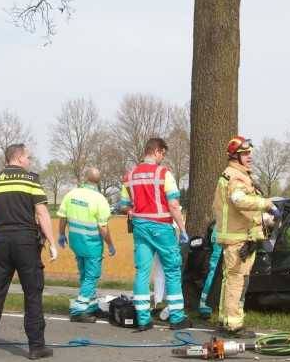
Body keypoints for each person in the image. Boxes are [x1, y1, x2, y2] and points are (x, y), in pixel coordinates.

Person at [0, 143, 58, 361]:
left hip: (0, 242)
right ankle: (36, 347)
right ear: (19, 158)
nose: (29, 160)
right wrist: (52, 242)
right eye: (28, 157)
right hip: (26, 242)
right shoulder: (31, 180)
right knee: (32, 293)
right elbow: (42, 214)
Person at [119, 137, 189, 331]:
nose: (162, 158)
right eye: (163, 154)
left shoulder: (129, 175)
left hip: (140, 227)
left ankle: (143, 319)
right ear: (157, 151)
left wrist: (133, 212)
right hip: (162, 228)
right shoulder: (163, 173)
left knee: (142, 271)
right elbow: (173, 205)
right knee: (172, 270)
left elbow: (123, 206)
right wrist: (182, 229)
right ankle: (176, 317)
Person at [211, 135, 278, 339]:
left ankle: (225, 319)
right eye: (245, 154)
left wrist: (263, 220)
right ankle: (234, 325)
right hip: (238, 239)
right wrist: (267, 204)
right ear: (235, 156)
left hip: (239, 237)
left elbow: (241, 210)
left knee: (230, 280)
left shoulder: (235, 174)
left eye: (250, 153)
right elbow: (239, 200)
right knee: (237, 281)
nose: (250, 157)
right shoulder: (237, 177)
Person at [56, 166, 115, 321]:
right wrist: (110, 244)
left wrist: (61, 234)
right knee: (91, 276)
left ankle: (92, 306)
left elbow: (63, 218)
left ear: (85, 178)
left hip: (76, 242)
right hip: (92, 244)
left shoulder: (71, 194)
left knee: (84, 274)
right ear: (98, 181)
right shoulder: (100, 199)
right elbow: (103, 227)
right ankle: (78, 311)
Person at [196, 221, 222, 319]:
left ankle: (205, 307)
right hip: (226, 234)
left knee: (213, 273)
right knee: (216, 274)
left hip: (220, 232)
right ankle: (206, 307)